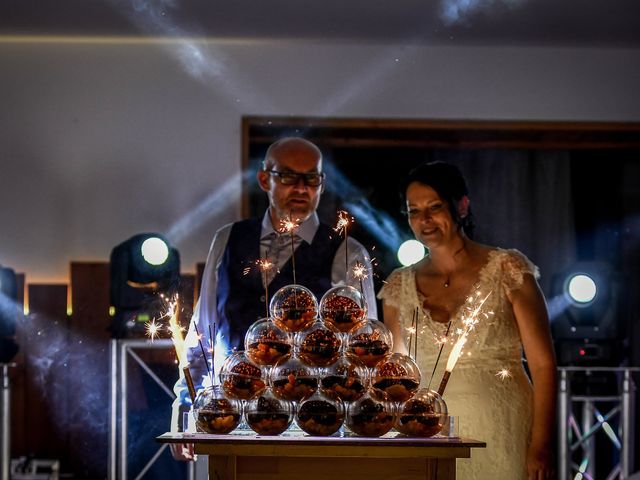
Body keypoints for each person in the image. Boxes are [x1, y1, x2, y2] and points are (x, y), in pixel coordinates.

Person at [171, 137, 377, 460]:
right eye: (288, 177)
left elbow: (366, 356)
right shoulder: (227, 240)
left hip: (316, 430)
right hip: (230, 422)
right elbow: (202, 332)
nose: (301, 188)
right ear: (264, 179)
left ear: (321, 184)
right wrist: (185, 405)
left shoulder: (349, 253)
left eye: (312, 179)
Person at [378, 161, 557, 480]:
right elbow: (397, 376)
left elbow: (543, 364)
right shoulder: (397, 286)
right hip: (429, 432)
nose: (425, 220)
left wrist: (541, 445)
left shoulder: (508, 269)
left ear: (461, 205)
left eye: (434, 207)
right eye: (414, 211)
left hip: (504, 426)